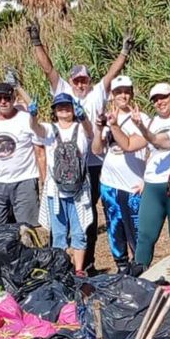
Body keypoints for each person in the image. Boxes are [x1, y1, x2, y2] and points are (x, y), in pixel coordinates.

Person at [31, 24, 131, 270]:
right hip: (64, 168)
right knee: (63, 218)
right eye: (76, 80)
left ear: (89, 81)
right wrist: (36, 40)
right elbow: (48, 70)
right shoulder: (64, 92)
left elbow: (110, 75)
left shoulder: (97, 94)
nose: (80, 84)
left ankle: (87, 263)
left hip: (94, 164)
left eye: (84, 79)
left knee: (88, 214)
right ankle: (62, 263)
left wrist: (124, 53)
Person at [92, 75, 146, 273]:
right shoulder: (106, 119)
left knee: (136, 229)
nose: (123, 95)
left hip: (133, 184)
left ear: (131, 93)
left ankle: (140, 266)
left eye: (126, 91)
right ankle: (121, 267)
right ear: (112, 95)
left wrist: (146, 180)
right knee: (115, 228)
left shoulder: (141, 118)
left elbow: (138, 148)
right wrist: (99, 129)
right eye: (118, 92)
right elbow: (97, 150)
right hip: (109, 183)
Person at [134, 81, 170, 268]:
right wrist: (143, 179)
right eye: (155, 99)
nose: (160, 102)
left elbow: (164, 142)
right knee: (145, 234)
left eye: (163, 97)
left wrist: (143, 129)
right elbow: (150, 152)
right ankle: (138, 277)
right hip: (153, 184)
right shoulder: (153, 121)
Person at [0, 81, 46, 232]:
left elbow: (40, 152)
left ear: (13, 99)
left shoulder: (26, 119)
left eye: (7, 98)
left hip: (24, 180)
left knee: (27, 229)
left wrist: (44, 181)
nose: (3, 101)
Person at [41, 93, 94, 275]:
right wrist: (32, 116)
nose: (64, 109)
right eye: (59, 106)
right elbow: (36, 129)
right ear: (54, 110)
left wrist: (84, 117)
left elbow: (91, 133)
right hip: (55, 190)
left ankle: (78, 270)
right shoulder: (49, 129)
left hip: (79, 190)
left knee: (79, 233)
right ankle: (61, 269)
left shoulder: (80, 129)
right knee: (58, 234)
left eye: (67, 106)